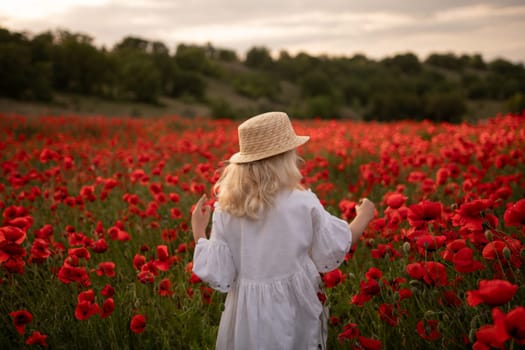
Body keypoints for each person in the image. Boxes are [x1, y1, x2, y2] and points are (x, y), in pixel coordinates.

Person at [191, 111, 375, 350]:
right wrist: (364, 216)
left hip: (247, 312)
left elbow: (220, 272)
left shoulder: (227, 208)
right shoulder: (302, 202)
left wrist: (199, 231)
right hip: (295, 304)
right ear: (286, 157)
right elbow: (335, 245)